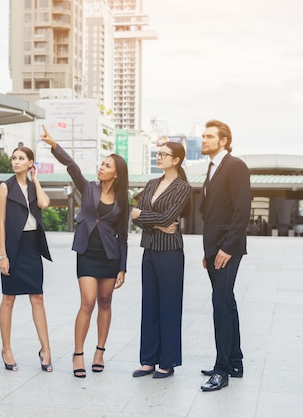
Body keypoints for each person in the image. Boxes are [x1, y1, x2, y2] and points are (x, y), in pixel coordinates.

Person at [40, 125, 129, 378]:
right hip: (87, 253)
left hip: (110, 257)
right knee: (88, 302)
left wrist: (123, 267)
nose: (102, 167)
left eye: (107, 165)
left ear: (117, 174)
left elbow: (123, 236)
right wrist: (54, 144)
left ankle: (99, 351)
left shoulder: (123, 201)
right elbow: (72, 167)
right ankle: (77, 354)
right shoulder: (88, 188)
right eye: (102, 163)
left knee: (105, 302)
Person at [131, 141, 191, 379]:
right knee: (150, 305)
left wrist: (148, 217)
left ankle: (167, 362)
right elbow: (135, 216)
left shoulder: (182, 187)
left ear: (176, 160)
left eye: (164, 154)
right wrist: (156, 223)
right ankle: (148, 361)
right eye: (158, 154)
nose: (159, 157)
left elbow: (169, 216)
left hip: (170, 252)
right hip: (150, 249)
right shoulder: (151, 183)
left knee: (169, 305)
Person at [199, 119, 251, 392]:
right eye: (203, 136)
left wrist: (227, 249)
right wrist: (209, 251)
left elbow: (242, 211)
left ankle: (222, 371)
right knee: (226, 301)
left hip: (228, 248)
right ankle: (235, 361)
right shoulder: (211, 167)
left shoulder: (235, 166)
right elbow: (210, 214)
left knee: (220, 303)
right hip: (214, 248)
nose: (203, 140)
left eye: (209, 136)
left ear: (223, 141)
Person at [0, 147, 53, 372]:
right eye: (14, 158)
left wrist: (36, 180)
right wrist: (3, 255)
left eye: (21, 158)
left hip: (32, 246)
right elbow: (1, 223)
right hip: (12, 246)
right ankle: (6, 349)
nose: (16, 162)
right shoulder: (5, 187)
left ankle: (45, 350)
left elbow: (44, 204)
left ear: (31, 163)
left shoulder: (32, 186)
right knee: (8, 299)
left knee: (37, 297)